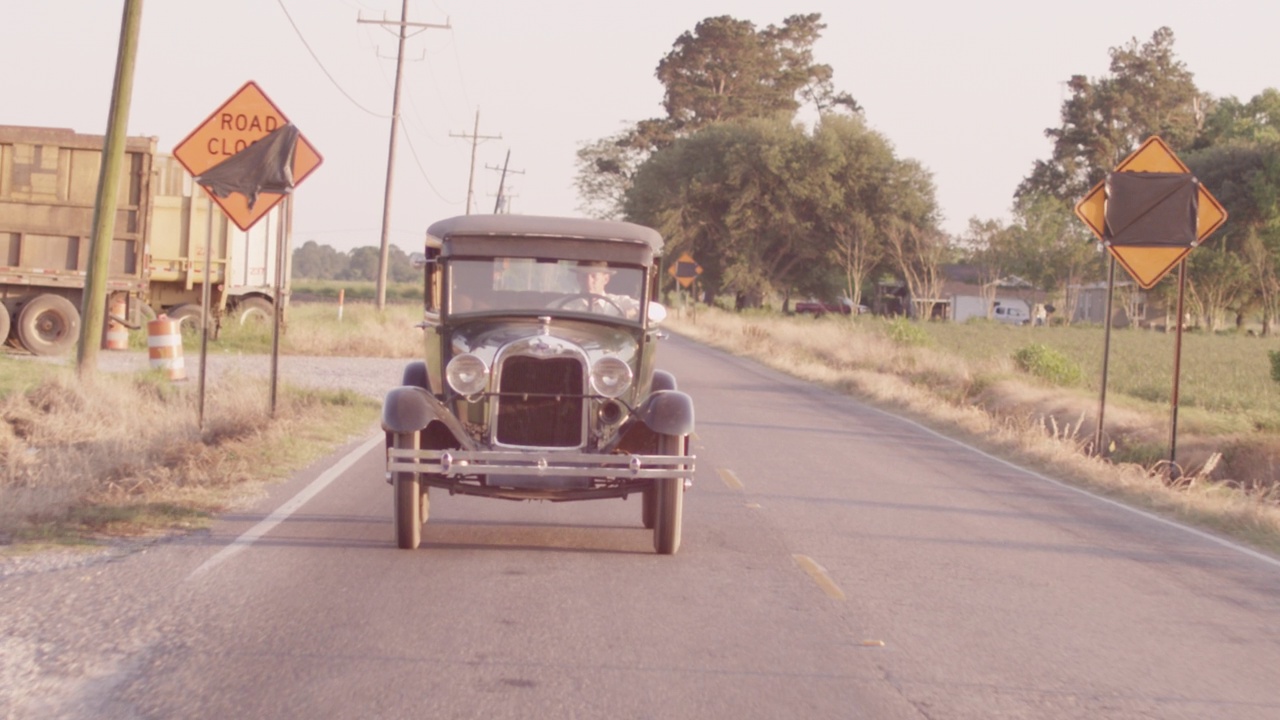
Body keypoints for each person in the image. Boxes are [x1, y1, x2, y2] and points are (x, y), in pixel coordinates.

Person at [566, 260, 639, 318]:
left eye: (594, 276)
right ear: (578, 278)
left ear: (605, 279)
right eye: (584, 276)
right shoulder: (564, 305)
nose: (588, 282)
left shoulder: (619, 303)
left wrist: (633, 312)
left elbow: (648, 308)